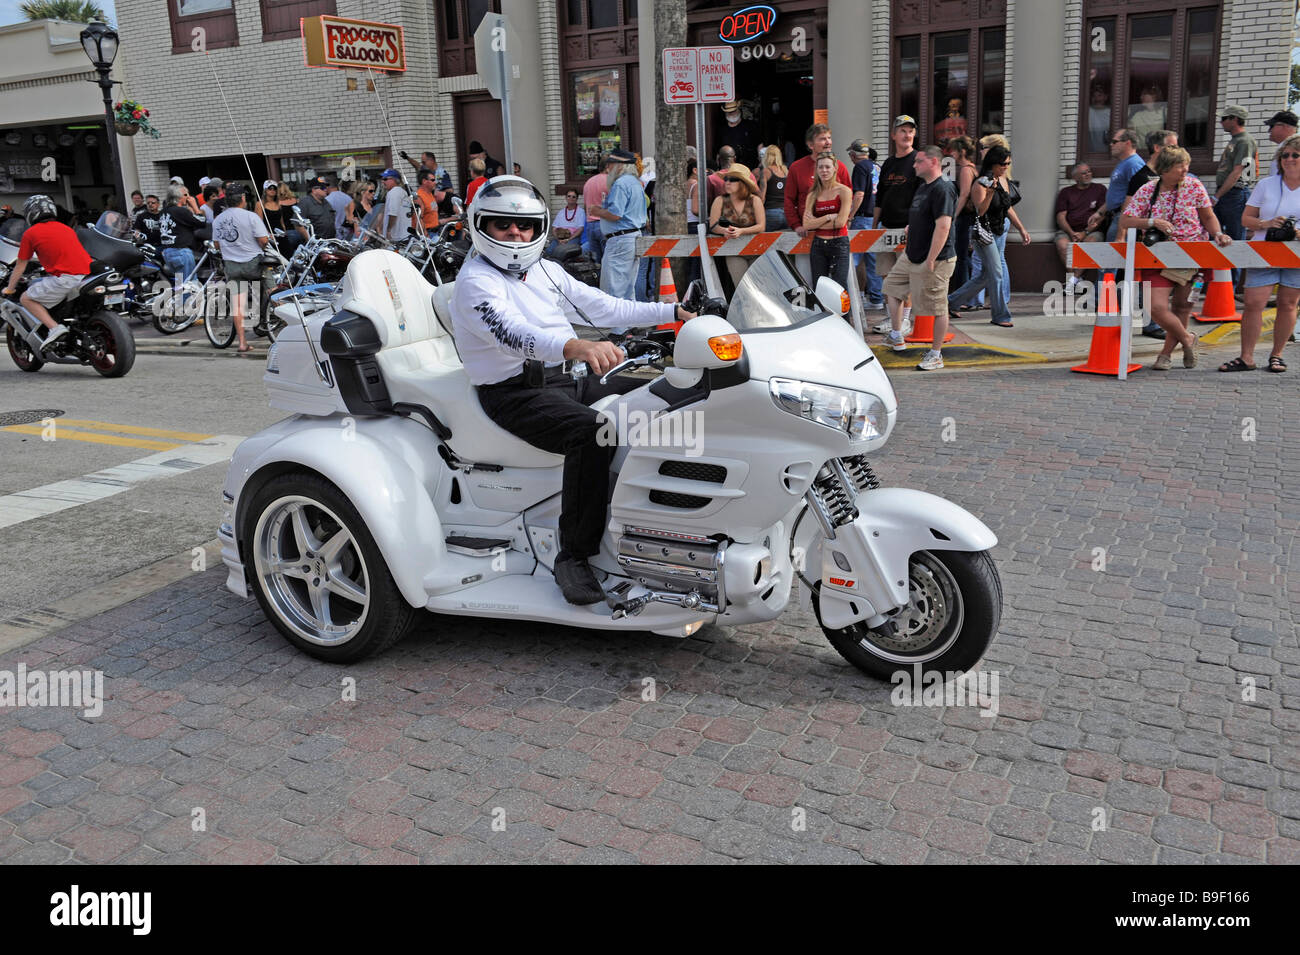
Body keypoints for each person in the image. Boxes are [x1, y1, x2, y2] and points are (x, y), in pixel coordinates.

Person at [449, 176, 696, 605]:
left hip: (566, 377)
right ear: (480, 226)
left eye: (525, 226)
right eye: (502, 225)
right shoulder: (476, 281)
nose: (515, 234)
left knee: (666, 393)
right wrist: (576, 345)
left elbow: (604, 305)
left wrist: (674, 311)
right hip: (512, 393)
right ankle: (574, 556)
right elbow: (512, 333)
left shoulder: (543, 270)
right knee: (592, 432)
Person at [1119, 145, 1232, 370]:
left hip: (1194, 257)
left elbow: (1208, 216)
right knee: (1156, 307)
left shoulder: (1194, 186)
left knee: (1183, 306)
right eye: (1179, 166)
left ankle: (1166, 355)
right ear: (1164, 169)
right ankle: (1188, 338)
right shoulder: (1147, 190)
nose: (1185, 170)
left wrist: (1218, 234)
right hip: (1158, 258)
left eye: (1186, 165)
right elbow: (1126, 220)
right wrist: (1153, 222)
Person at [1222, 132, 1300, 372]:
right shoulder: (1266, 185)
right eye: (1285, 155)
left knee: (1288, 304)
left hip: (1296, 253)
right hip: (1264, 249)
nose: (1289, 159)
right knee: (1254, 303)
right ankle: (1246, 357)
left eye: (1295, 155)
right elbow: (1246, 219)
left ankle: (1277, 355)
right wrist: (1267, 224)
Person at [881, 146, 956, 371]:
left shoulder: (943, 188)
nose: (914, 165)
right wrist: (911, 227)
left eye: (919, 161)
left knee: (938, 307)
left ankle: (936, 354)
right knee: (891, 287)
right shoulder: (923, 186)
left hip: (936, 258)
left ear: (933, 162)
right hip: (912, 254)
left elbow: (943, 226)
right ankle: (896, 335)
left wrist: (931, 259)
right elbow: (923, 216)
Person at [0, 195, 90, 350]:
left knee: (25, 298)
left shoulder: (31, 233)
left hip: (65, 279)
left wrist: (9, 289)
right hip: (85, 276)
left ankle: (54, 328)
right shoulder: (66, 228)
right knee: (38, 285)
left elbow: (20, 266)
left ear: (30, 213)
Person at [949, 145, 1019, 327]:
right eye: (1003, 164)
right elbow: (980, 211)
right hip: (984, 234)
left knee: (986, 275)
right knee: (996, 273)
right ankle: (1001, 316)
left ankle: (951, 302)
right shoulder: (981, 182)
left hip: (999, 231)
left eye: (1008, 163)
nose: (1006, 167)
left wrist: (1022, 229)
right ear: (993, 164)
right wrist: (990, 193)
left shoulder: (1001, 180)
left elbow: (1008, 208)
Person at [872, 116, 920, 332]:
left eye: (910, 131)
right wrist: (874, 226)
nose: (907, 135)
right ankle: (891, 317)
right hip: (886, 227)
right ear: (893, 135)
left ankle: (905, 319)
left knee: (905, 276)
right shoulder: (889, 163)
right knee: (886, 275)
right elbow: (880, 197)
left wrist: (915, 223)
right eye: (902, 131)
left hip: (907, 228)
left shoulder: (918, 160)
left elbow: (922, 196)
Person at [212, 184, 271, 353]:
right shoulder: (251, 216)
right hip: (254, 263)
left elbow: (217, 245)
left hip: (231, 265)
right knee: (273, 289)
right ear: (243, 198)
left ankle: (242, 343)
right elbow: (263, 241)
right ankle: (276, 319)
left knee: (238, 305)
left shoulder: (218, 219)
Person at [589, 148, 648, 301]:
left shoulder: (621, 184)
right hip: (631, 236)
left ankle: (618, 318)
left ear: (620, 165)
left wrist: (596, 211)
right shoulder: (636, 183)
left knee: (613, 288)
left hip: (620, 239)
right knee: (627, 287)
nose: (607, 167)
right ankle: (629, 316)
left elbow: (615, 214)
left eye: (610, 163)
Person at [1213, 105, 1257, 289]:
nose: (1221, 122)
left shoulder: (1244, 141)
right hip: (1228, 194)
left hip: (1235, 194)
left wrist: (1217, 196)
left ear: (1235, 119)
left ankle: (1230, 287)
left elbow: (1237, 171)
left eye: (1225, 118)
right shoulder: (1235, 140)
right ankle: (1217, 283)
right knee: (1217, 235)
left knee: (1235, 239)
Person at [784, 123, 852, 238]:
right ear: (811, 145)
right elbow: (789, 200)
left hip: (835, 231)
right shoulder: (796, 167)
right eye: (822, 139)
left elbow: (850, 197)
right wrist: (796, 225)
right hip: (806, 232)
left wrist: (846, 218)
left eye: (829, 138)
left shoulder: (840, 166)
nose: (828, 142)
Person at [709, 161, 766, 292]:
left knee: (758, 288)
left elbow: (761, 226)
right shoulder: (720, 200)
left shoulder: (755, 200)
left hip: (756, 250)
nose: (727, 182)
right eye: (726, 179)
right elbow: (713, 225)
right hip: (733, 250)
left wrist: (741, 231)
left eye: (733, 179)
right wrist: (724, 230)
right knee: (742, 287)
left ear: (743, 183)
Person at [802, 152, 851, 291]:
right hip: (818, 245)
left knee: (840, 287)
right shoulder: (812, 194)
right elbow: (806, 225)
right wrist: (828, 217)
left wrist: (816, 222)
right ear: (816, 170)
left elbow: (841, 222)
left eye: (827, 167)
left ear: (835, 168)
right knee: (819, 286)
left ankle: (843, 308)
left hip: (839, 243)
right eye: (821, 167)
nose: (824, 170)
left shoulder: (844, 191)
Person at [1054, 163, 1107, 289]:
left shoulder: (1100, 189)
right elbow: (1060, 216)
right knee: (1062, 244)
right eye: (1084, 173)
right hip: (1069, 230)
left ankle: (1072, 280)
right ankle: (1076, 279)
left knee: (1090, 243)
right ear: (1075, 178)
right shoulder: (1066, 192)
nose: (1088, 174)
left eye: (1089, 171)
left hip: (1092, 231)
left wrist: (1085, 232)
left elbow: (1102, 215)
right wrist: (1071, 233)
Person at [158, 182, 208, 291]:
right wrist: (195, 207)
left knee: (180, 285)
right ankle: (187, 302)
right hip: (181, 252)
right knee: (189, 286)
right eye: (186, 195)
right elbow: (202, 222)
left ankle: (181, 301)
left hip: (168, 252)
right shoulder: (180, 211)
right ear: (179, 197)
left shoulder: (163, 212)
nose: (189, 197)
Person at [948, 136, 978, 294]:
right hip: (969, 218)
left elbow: (964, 194)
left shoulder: (966, 170)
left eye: (954, 150)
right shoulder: (972, 168)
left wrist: (953, 216)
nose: (951, 153)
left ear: (963, 152)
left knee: (961, 257)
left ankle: (962, 294)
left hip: (965, 218)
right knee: (965, 257)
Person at [1127, 129, 1179, 199]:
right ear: (1157, 148)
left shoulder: (1177, 174)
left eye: (1177, 147)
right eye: (1172, 147)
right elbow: (1129, 204)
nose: (1176, 151)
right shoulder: (1140, 178)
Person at [582, 156, 612, 261]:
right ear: (607, 166)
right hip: (605, 224)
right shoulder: (610, 181)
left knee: (596, 261)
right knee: (608, 259)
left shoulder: (588, 182)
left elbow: (585, 206)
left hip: (590, 225)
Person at [717, 99, 759, 166]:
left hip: (749, 166)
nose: (731, 114)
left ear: (738, 110)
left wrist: (760, 163)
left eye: (734, 111)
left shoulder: (750, 126)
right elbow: (718, 151)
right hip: (729, 167)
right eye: (729, 112)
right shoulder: (722, 129)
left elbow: (759, 145)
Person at [757, 145, 789, 232]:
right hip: (787, 214)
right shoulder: (786, 171)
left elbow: (762, 197)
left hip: (771, 213)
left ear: (767, 156)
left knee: (763, 239)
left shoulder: (766, 171)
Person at [548, 188, 586, 257]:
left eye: (573, 197)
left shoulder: (581, 212)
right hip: (559, 238)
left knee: (562, 252)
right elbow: (554, 228)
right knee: (549, 251)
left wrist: (568, 239)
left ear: (577, 199)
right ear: (566, 198)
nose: (571, 198)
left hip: (573, 237)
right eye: (569, 196)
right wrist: (558, 239)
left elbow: (581, 229)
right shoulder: (561, 212)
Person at [378, 169, 411, 243]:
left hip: (396, 238)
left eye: (385, 179)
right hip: (405, 235)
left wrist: (388, 230)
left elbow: (393, 214)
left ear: (394, 180)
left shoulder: (393, 192)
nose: (383, 181)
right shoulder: (403, 192)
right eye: (382, 179)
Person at [414, 170, 441, 236]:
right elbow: (418, 219)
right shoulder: (419, 197)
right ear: (424, 181)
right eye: (432, 180)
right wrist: (426, 236)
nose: (435, 182)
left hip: (435, 232)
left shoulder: (430, 194)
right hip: (428, 234)